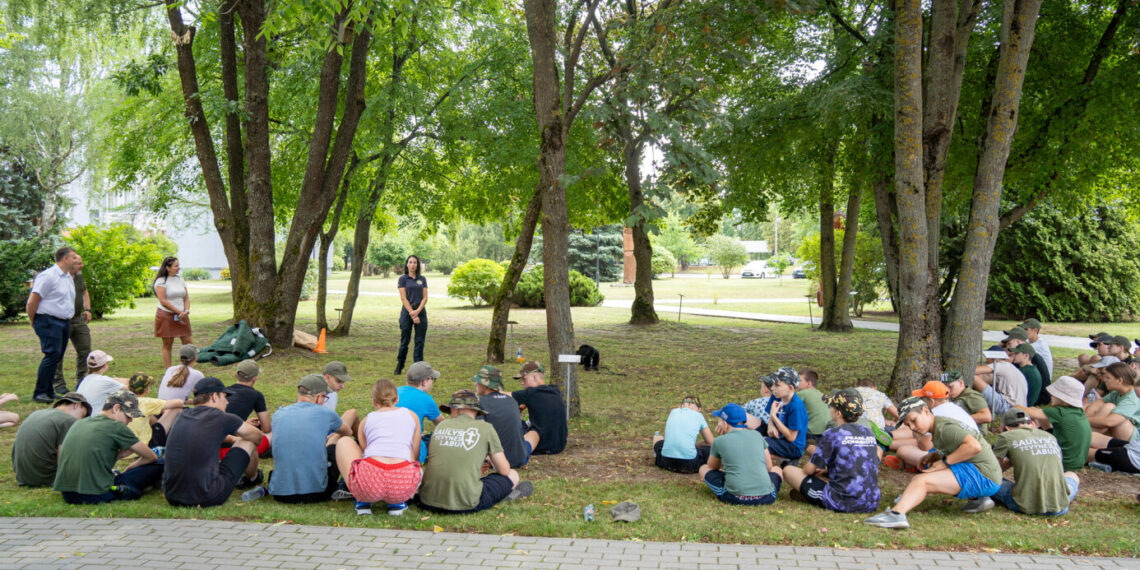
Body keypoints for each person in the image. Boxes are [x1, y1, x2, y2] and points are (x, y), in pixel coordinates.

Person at [864, 397, 1003, 529]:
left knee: (922, 481)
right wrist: (935, 456)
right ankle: (979, 499)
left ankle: (896, 515)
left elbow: (974, 447)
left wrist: (945, 462)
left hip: (984, 475)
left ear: (925, 410)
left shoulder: (944, 428)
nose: (912, 427)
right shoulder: (938, 425)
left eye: (913, 420)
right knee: (928, 473)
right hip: (985, 472)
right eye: (908, 424)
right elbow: (956, 446)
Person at [417, 390, 532, 514]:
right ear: (476, 411)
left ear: (456, 409)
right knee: (513, 475)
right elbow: (504, 470)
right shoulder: (486, 428)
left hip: (427, 501)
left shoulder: (441, 426)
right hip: (466, 503)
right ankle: (502, 495)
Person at [162, 378, 263, 507]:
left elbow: (202, 434)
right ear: (215, 397)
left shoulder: (182, 415)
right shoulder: (223, 418)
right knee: (248, 440)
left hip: (172, 496)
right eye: (225, 397)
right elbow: (257, 436)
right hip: (208, 496)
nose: (227, 402)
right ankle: (253, 478)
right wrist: (238, 438)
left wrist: (231, 439)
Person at [53, 390, 162, 504]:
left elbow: (94, 458)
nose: (130, 420)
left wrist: (120, 455)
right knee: (161, 463)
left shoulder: (80, 423)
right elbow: (151, 457)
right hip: (95, 495)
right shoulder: (117, 426)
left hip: (68, 494)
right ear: (116, 408)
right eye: (129, 415)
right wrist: (130, 467)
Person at [782, 388, 881, 513]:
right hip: (871, 502)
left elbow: (808, 469)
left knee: (789, 471)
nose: (829, 409)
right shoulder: (869, 433)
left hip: (842, 502)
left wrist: (815, 468)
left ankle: (811, 495)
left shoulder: (833, 434)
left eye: (831, 406)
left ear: (838, 413)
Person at [337, 379, 423, 516]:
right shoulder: (412, 416)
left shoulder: (366, 420)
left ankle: (362, 501)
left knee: (344, 442)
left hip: (369, 482)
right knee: (409, 450)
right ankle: (396, 503)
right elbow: (416, 452)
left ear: (373, 401)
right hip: (402, 485)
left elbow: (365, 452)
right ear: (397, 399)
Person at [268, 374, 353, 503]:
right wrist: (333, 436)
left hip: (280, 493)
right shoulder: (326, 413)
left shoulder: (278, 414)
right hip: (316, 493)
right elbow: (347, 432)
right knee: (339, 441)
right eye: (325, 397)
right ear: (319, 397)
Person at [989, 409, 1079, 516]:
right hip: (1059, 508)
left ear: (1007, 428)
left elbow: (991, 470)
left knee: (989, 480)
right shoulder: (1050, 437)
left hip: (1024, 505)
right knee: (1072, 475)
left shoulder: (1007, 436)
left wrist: (1010, 460)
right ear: (1032, 424)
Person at [26, 247, 82, 403]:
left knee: (57, 356)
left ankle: (49, 391)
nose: (76, 260)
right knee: (51, 354)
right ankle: (40, 392)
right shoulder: (48, 276)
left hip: (63, 322)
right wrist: (34, 320)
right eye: (73, 257)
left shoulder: (67, 277)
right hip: (48, 320)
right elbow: (32, 301)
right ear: (64, 259)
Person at [698, 403, 782, 506]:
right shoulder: (757, 435)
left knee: (703, 469)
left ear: (725, 424)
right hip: (766, 497)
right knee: (777, 469)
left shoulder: (719, 441)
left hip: (734, 497)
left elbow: (712, 467)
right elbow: (769, 468)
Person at [888, 380, 979, 470]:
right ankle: (889, 442)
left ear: (931, 401)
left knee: (903, 451)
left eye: (922, 399)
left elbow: (925, 446)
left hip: (962, 458)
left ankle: (924, 466)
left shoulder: (935, 413)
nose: (920, 402)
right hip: (970, 453)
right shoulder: (955, 408)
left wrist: (917, 434)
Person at [11, 393, 91, 487]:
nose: (79, 421)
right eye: (82, 415)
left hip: (23, 477)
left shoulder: (37, 413)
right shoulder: (68, 420)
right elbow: (64, 459)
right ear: (76, 405)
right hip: (45, 478)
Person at [1016, 376, 1091, 472]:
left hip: (1063, 464)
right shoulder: (1077, 412)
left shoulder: (1060, 412)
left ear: (1063, 398)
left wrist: (1015, 405)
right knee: (1040, 416)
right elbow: (1040, 415)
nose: (1051, 396)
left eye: (1054, 394)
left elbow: (1024, 411)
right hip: (1075, 463)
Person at [473, 365, 538, 469]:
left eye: (478, 381)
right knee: (534, 434)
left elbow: (478, 434)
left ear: (485, 385)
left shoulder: (478, 403)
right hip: (519, 458)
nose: (475, 383)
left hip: (494, 461)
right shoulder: (512, 401)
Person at [53, 255, 92, 395]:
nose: (81, 266)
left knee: (85, 350)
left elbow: (84, 291)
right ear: (69, 263)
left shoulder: (79, 275)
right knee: (58, 353)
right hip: (61, 320)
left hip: (78, 319)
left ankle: (82, 382)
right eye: (78, 263)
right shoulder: (58, 277)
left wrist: (88, 309)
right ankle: (58, 384)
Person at [1086, 362, 1140, 461]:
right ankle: (1085, 436)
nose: (1104, 380)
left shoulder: (1132, 398)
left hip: (1134, 439)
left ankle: (1084, 437)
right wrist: (1086, 416)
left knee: (1110, 408)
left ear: (1119, 380)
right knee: (1106, 406)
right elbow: (1096, 405)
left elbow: (1110, 422)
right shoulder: (1117, 393)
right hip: (1116, 433)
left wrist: (1083, 419)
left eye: (1108, 378)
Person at [512, 361, 568, 455]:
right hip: (559, 445)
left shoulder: (532, 393)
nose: (522, 383)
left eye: (524, 379)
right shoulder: (554, 390)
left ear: (535, 377)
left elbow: (502, 397)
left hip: (540, 445)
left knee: (507, 424)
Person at [757, 367, 808, 462]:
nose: (772, 388)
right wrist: (771, 424)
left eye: (777, 385)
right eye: (773, 384)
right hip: (778, 435)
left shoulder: (796, 406)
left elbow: (792, 437)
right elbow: (771, 419)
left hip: (792, 446)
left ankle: (785, 459)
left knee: (759, 443)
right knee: (751, 436)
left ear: (790, 388)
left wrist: (773, 417)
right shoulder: (776, 396)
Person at [652, 395, 713, 474]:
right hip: (690, 464)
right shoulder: (698, 415)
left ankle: (657, 454)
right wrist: (695, 445)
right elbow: (711, 442)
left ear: (680, 406)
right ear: (698, 409)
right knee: (712, 450)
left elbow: (666, 438)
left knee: (658, 438)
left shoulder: (673, 412)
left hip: (665, 462)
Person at [397, 361, 445, 463]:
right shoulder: (426, 399)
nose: (432, 383)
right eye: (433, 379)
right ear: (424, 381)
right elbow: (442, 425)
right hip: (413, 453)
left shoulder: (395, 392)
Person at [225, 359, 272, 458]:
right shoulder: (256, 395)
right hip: (232, 449)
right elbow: (266, 428)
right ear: (255, 378)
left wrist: (244, 423)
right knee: (271, 435)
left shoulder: (223, 391)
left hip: (213, 446)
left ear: (235, 374)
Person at [126, 372, 183, 453]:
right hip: (144, 447)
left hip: (125, 447)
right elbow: (179, 402)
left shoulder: (120, 399)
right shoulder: (147, 402)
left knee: (149, 416)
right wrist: (164, 408)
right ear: (147, 390)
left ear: (129, 387)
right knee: (176, 408)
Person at [153, 256, 193, 369]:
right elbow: (163, 301)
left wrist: (186, 310)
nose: (178, 268)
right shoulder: (161, 281)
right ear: (167, 268)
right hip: (166, 315)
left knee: (188, 342)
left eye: (178, 265)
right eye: (176, 266)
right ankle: (168, 370)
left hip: (182, 314)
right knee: (167, 343)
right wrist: (179, 311)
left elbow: (186, 297)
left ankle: (187, 367)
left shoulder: (180, 279)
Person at [394, 254, 428, 375]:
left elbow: (425, 298)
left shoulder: (422, 279)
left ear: (417, 265)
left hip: (420, 311)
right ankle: (400, 364)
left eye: (415, 262)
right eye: (410, 262)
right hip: (407, 311)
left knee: (419, 341)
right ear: (407, 264)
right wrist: (412, 315)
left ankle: (418, 368)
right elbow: (403, 298)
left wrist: (417, 312)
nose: (413, 265)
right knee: (405, 340)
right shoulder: (403, 279)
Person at [973, 346, 1028, 417]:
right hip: (1020, 408)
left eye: (987, 359)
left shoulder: (1001, 365)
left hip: (1008, 406)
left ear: (991, 358)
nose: (986, 362)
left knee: (974, 377)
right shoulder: (1011, 368)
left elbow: (974, 371)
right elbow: (985, 378)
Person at [1003, 328, 1049, 406]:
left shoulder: (1029, 362)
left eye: (1009, 343)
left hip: (1034, 400)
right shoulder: (1026, 357)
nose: (1007, 346)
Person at [321, 361, 359, 436]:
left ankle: (361, 442)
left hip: (329, 430)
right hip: (322, 436)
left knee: (352, 412)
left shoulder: (333, 391)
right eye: (338, 381)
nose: (342, 386)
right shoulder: (317, 395)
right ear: (327, 377)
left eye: (343, 382)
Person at [797, 369, 829, 448]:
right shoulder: (822, 395)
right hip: (826, 434)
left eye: (799, 380)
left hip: (811, 434)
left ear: (808, 383)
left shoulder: (802, 393)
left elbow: (785, 408)